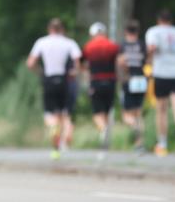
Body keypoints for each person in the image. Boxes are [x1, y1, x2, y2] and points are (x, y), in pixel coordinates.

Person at [27, 18, 82, 158]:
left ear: (49, 29)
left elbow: (30, 63)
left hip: (49, 79)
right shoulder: (69, 43)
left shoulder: (42, 42)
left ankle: (54, 133)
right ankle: (64, 140)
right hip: (64, 80)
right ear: (62, 29)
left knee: (50, 114)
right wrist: (73, 73)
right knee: (64, 113)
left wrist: (40, 71)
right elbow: (78, 64)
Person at [145, 9, 175, 156]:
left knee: (161, 110)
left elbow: (152, 47)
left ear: (158, 20)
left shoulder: (153, 31)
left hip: (161, 73)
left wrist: (148, 62)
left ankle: (162, 143)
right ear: (171, 20)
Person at [81, 22, 120, 149]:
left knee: (97, 112)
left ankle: (103, 131)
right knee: (107, 110)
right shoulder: (112, 46)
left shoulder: (88, 47)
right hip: (111, 81)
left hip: (96, 81)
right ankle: (106, 135)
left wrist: (85, 73)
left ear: (92, 34)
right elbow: (119, 61)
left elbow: (82, 63)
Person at [117, 19, 148, 150]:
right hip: (141, 79)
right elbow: (147, 61)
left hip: (129, 80)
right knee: (138, 112)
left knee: (126, 115)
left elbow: (121, 62)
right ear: (137, 32)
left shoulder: (122, 46)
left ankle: (136, 130)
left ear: (125, 32)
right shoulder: (142, 45)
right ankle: (139, 143)